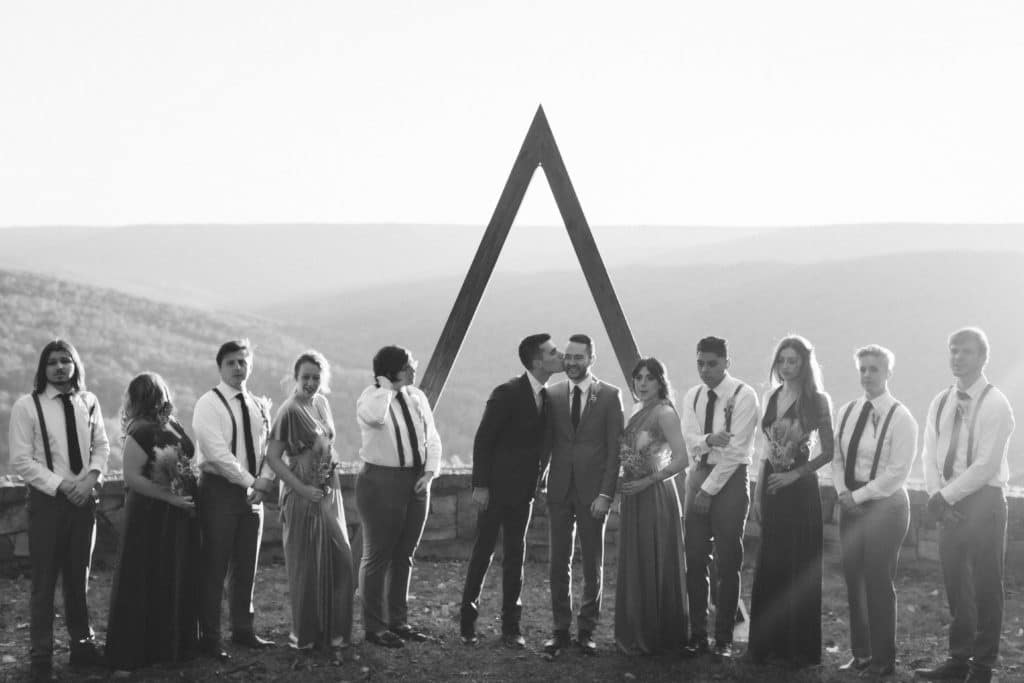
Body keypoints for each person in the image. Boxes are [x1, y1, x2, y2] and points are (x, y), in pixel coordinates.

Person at [915, 328, 1015, 683]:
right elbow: (929, 452)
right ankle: (958, 660)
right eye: (953, 350)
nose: (958, 357)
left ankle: (982, 666)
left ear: (983, 357)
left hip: (984, 502)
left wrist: (946, 496)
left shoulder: (996, 403)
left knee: (987, 586)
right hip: (945, 499)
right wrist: (934, 495)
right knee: (956, 584)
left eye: (967, 352)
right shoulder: (941, 401)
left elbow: (986, 464)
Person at [8, 339, 110, 682]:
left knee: (78, 580)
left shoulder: (89, 402)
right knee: (44, 582)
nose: (59, 367)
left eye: (66, 361)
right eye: (52, 362)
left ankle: (82, 648)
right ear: (43, 368)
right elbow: (21, 460)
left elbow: (102, 446)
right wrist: (64, 485)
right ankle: (41, 656)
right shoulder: (28, 405)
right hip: (48, 503)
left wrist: (91, 479)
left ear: (75, 365)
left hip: (84, 501)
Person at [459, 334, 564, 648]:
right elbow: (483, 440)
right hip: (494, 490)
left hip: (525, 493)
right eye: (553, 352)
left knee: (516, 557)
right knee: (483, 553)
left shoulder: (549, 397)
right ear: (536, 361)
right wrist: (480, 485)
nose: (559, 356)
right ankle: (467, 623)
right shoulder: (506, 393)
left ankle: (511, 628)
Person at [105, 372, 202, 672]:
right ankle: (139, 649)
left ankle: (172, 644)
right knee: (144, 575)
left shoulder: (173, 424)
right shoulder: (139, 432)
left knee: (174, 573)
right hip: (149, 514)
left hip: (178, 514)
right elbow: (132, 477)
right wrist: (170, 497)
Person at [747, 334, 834, 667]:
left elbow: (828, 451)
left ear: (804, 364)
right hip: (771, 488)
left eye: (793, 361)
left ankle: (798, 649)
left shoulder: (817, 400)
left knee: (798, 566)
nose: (786, 367)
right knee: (770, 564)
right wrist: (758, 492)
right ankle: (765, 645)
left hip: (800, 491)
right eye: (782, 360)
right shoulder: (772, 397)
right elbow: (766, 450)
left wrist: (793, 475)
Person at [831, 345, 918, 678]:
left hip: (886, 508)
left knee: (878, 581)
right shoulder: (848, 410)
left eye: (874, 369)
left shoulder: (902, 417)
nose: (867, 375)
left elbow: (898, 472)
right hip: (850, 503)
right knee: (854, 579)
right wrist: (843, 492)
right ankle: (861, 653)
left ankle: (884, 660)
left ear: (888, 373)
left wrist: (861, 496)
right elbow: (837, 456)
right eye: (863, 369)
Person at [265, 351, 355, 655]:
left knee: (340, 559)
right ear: (295, 377)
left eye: (316, 377)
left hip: (328, 488)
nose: (311, 382)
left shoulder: (321, 403)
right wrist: (303, 489)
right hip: (302, 494)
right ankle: (306, 636)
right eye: (305, 377)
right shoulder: (289, 410)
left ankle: (333, 634)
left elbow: (327, 443)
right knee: (307, 565)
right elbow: (273, 459)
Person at [192, 339, 277, 660]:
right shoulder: (208, 403)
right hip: (219, 491)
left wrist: (266, 479)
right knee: (214, 565)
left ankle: (243, 630)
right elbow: (216, 452)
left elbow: (270, 447)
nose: (238, 368)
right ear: (220, 367)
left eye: (243, 362)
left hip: (254, 492)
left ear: (250, 365)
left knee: (246, 566)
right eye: (231, 363)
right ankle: (210, 638)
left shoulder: (257, 405)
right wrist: (251, 481)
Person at [541, 333, 624, 657]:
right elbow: (546, 443)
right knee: (557, 563)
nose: (572, 363)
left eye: (579, 357)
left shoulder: (609, 396)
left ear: (591, 358)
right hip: (559, 490)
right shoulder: (553, 393)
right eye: (569, 357)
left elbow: (615, 451)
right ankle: (560, 630)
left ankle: (586, 631)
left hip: (593, 493)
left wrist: (606, 494)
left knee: (593, 563)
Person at [355, 345, 441, 648]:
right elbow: (377, 418)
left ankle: (398, 621)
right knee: (377, 555)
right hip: (381, 480)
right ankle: (374, 626)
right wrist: (387, 386)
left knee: (405, 552)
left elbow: (431, 436)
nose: (414, 368)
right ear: (391, 371)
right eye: (407, 365)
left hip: (416, 480)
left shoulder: (417, 397)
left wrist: (429, 473)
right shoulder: (371, 397)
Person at [680, 337, 759, 661]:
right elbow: (689, 438)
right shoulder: (694, 395)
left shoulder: (743, 395)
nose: (705, 370)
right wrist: (709, 439)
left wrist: (708, 490)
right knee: (695, 560)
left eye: (712, 363)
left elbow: (736, 450)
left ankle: (724, 637)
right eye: (700, 363)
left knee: (728, 561)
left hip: (729, 480)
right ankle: (697, 634)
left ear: (727, 361)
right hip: (697, 474)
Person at [614, 357, 688, 655]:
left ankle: (657, 634)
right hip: (633, 494)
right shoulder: (638, 411)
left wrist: (648, 481)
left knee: (653, 557)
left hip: (655, 494)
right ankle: (636, 630)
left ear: (660, 382)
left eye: (649, 378)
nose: (642, 383)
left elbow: (682, 459)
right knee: (636, 560)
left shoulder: (664, 413)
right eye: (638, 378)